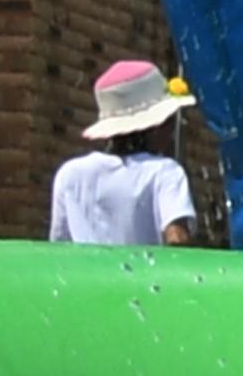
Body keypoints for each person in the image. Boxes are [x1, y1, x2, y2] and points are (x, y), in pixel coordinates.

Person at [49, 60, 204, 248]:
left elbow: (59, 249)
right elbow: (177, 240)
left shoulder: (70, 175)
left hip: (87, 278)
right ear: (155, 127)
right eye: (170, 121)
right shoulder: (165, 172)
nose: (172, 131)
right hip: (147, 277)